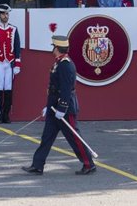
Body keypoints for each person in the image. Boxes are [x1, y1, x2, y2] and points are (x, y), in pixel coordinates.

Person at [22, 34, 96, 175]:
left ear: (57, 48)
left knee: (74, 138)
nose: (52, 49)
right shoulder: (59, 62)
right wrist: (48, 106)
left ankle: (88, 164)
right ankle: (37, 165)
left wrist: (62, 108)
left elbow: (66, 89)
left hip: (65, 109)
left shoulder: (65, 65)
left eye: (53, 47)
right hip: (54, 107)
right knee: (46, 138)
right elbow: (54, 88)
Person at [0, 4, 21, 124]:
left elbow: (17, 48)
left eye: (7, 14)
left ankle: (6, 114)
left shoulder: (14, 29)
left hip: (10, 63)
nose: (6, 16)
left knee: (9, 88)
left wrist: (17, 64)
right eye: (4, 14)